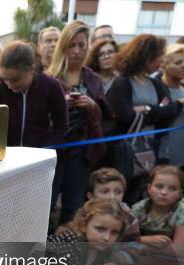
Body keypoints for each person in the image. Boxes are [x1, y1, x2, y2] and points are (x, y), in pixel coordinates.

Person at [107, 35, 184, 202]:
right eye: (157, 56)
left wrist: (146, 110)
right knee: (119, 194)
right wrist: (155, 111)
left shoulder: (157, 85)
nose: (160, 60)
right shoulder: (122, 83)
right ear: (145, 56)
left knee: (139, 195)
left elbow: (167, 115)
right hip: (125, 152)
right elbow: (125, 116)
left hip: (150, 152)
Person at [48, 20, 110, 226]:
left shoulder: (92, 78)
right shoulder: (49, 78)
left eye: (81, 45)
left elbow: (105, 116)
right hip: (54, 150)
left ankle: (67, 252)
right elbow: (37, 118)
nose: (76, 51)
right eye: (71, 45)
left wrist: (92, 105)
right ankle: (40, 252)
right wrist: (60, 105)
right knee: (45, 205)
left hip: (82, 149)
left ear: (88, 46)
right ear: (63, 46)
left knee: (74, 206)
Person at [47, 198, 132, 265]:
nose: (107, 237)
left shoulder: (104, 248)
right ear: (83, 226)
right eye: (100, 229)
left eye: (114, 232)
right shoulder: (70, 242)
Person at [0, 41, 67, 148]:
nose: (9, 85)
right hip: (7, 156)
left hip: (40, 155)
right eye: (5, 79)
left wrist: (46, 148)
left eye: (15, 80)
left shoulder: (51, 86)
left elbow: (61, 126)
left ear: (31, 69)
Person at [132, 166, 184, 257]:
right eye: (159, 186)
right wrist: (146, 239)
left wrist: (140, 246)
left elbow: (180, 250)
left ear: (179, 193)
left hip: (180, 260)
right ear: (149, 188)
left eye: (172, 188)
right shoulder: (139, 209)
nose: (164, 192)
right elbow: (123, 239)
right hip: (150, 257)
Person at [158, 44, 184, 169]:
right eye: (178, 62)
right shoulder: (157, 88)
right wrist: (179, 103)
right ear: (165, 65)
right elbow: (158, 115)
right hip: (164, 155)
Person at [87, 168, 140, 242]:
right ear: (91, 197)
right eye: (105, 191)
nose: (112, 197)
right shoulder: (84, 216)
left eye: (118, 192)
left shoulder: (130, 219)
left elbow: (134, 246)